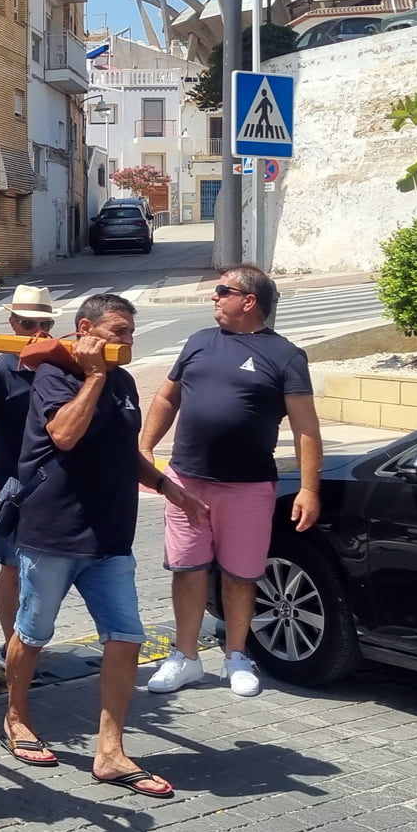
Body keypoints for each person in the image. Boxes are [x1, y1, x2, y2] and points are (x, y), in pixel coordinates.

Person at [0, 294, 208, 796]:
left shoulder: (123, 381)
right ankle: (15, 717)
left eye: (132, 332)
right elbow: (65, 435)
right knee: (33, 634)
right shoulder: (56, 374)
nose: (128, 341)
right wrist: (92, 376)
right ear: (87, 329)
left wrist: (168, 488)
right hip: (53, 533)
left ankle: (110, 752)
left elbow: (124, 450)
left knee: (126, 638)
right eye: (119, 331)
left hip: (110, 534)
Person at [138, 265, 322, 699]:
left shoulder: (286, 356)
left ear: (249, 301)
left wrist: (310, 488)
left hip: (248, 486)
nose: (214, 297)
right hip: (187, 481)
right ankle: (185, 657)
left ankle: (237, 655)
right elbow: (168, 396)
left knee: (241, 576)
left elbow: (306, 429)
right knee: (187, 570)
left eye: (223, 291)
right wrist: (144, 448)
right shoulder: (199, 341)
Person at [0, 285, 56, 653]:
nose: (37, 330)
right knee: (12, 566)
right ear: (13, 324)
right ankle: (12, 645)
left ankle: (31, 637)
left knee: (45, 568)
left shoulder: (60, 365)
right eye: (29, 322)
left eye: (44, 322)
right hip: (6, 482)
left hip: (51, 481)